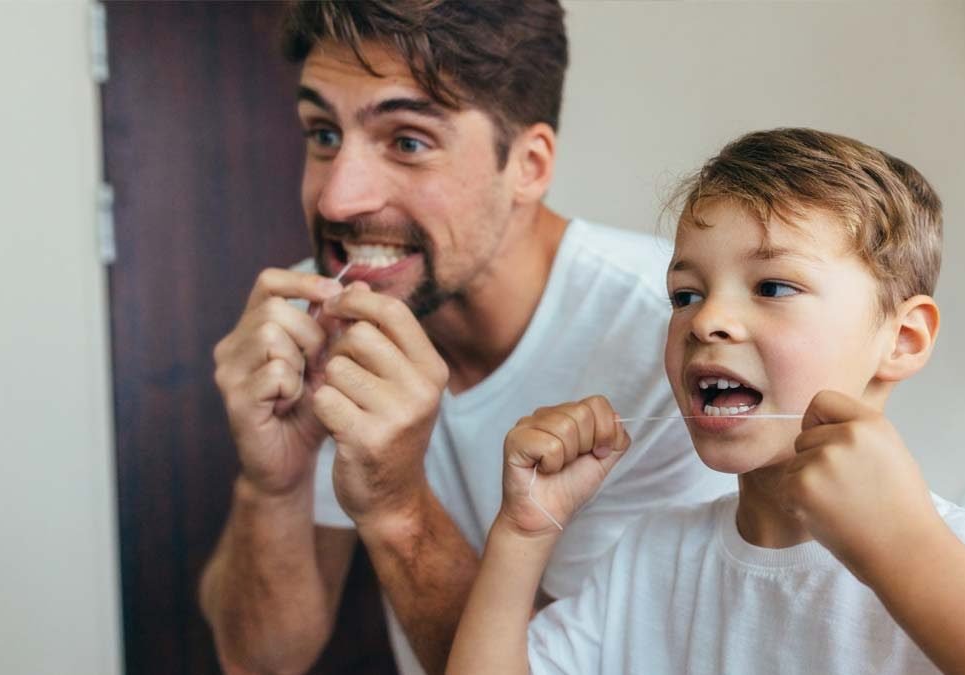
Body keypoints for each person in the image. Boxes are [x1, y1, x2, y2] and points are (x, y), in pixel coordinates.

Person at [447, 128, 965, 674]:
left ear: (903, 338)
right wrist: (523, 534)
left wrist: (903, 549)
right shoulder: (650, 559)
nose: (707, 319)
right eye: (685, 293)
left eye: (772, 287)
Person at [197, 2, 733, 674]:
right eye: (323, 133)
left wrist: (397, 509)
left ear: (529, 166)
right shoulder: (325, 310)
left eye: (408, 141)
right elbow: (261, 661)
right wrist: (270, 485)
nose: (338, 200)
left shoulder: (679, 342)